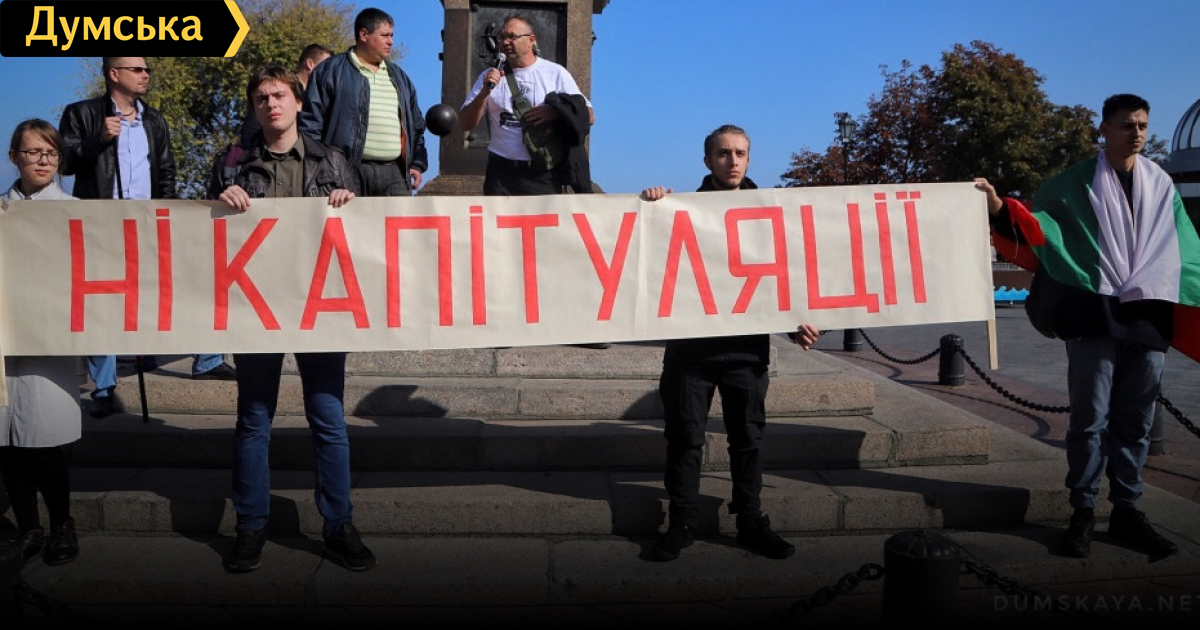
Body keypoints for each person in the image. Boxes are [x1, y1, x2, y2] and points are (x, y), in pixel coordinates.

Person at [977, 93, 1198, 559]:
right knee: (1090, 421)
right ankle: (1083, 509)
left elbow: (1184, 248)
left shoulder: (1161, 184)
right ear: (1104, 129)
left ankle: (1127, 510)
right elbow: (1042, 229)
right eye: (1126, 125)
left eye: (1142, 125)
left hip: (1148, 318)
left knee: (1136, 423)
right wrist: (999, 208)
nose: (1136, 133)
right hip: (1093, 316)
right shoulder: (1073, 183)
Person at [211, 66, 373, 573]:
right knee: (253, 419)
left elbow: (360, 234)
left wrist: (349, 203)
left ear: (299, 102)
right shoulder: (233, 163)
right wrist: (219, 201)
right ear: (254, 107)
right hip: (256, 307)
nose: (271, 104)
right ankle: (251, 525)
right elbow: (206, 234)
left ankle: (338, 524)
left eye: (279, 95)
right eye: (261, 98)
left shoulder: (333, 160)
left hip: (318, 307)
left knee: (328, 419)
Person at [639, 124, 820, 561]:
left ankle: (750, 520)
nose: (732, 161)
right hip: (691, 351)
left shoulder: (772, 213)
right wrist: (649, 209)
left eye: (740, 153)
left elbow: (784, 271)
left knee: (747, 438)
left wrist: (798, 322)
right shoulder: (679, 209)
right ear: (708, 160)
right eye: (723, 153)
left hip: (746, 350)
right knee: (685, 437)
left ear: (749, 159)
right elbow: (647, 256)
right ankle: (682, 522)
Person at [59, 56, 236, 419]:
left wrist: (167, 213)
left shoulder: (153, 119)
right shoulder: (82, 113)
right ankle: (105, 388)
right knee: (103, 303)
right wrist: (98, 140)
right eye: (137, 69)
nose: (145, 75)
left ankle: (207, 358)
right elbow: (65, 162)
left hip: (149, 220)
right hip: (101, 223)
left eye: (146, 69)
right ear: (114, 74)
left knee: (184, 283)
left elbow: (166, 169)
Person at [1, 119, 84, 566]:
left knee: (46, 440)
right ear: (14, 157)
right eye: (33, 152)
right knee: (7, 441)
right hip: (4, 342)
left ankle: (62, 524)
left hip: (49, 342)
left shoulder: (75, 211)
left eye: (50, 153)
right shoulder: (1, 209)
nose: (42, 160)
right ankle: (29, 528)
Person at [460, 14, 594, 195]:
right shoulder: (489, 76)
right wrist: (484, 92)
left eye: (512, 37)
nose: (505, 42)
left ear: (531, 40)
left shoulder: (555, 73)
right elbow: (465, 123)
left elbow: (588, 115)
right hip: (501, 173)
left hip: (543, 172)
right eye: (502, 37)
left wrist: (555, 112)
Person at [301, 8, 427, 196]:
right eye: (384, 35)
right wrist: (320, 168)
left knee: (398, 217)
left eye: (391, 35)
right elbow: (311, 123)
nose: (390, 41)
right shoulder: (329, 71)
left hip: (395, 175)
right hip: (345, 172)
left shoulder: (400, 77)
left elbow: (416, 125)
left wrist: (417, 163)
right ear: (364, 34)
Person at [239, 44, 333, 146]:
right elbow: (250, 131)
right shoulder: (273, 87)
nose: (330, 72)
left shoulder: (317, 97)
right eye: (326, 66)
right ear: (309, 64)